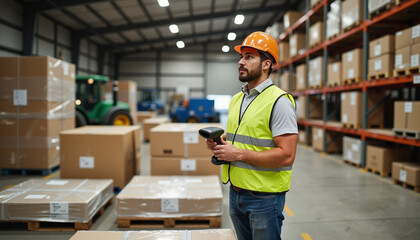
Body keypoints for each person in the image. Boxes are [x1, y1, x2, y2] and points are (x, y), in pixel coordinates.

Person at [205, 31, 298, 240]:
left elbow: (286, 155)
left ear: (266, 64)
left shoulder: (280, 101)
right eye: (241, 57)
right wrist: (222, 144)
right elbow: (246, 136)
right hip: (236, 192)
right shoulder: (238, 98)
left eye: (249, 57)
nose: (241, 62)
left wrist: (237, 154)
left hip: (264, 198)